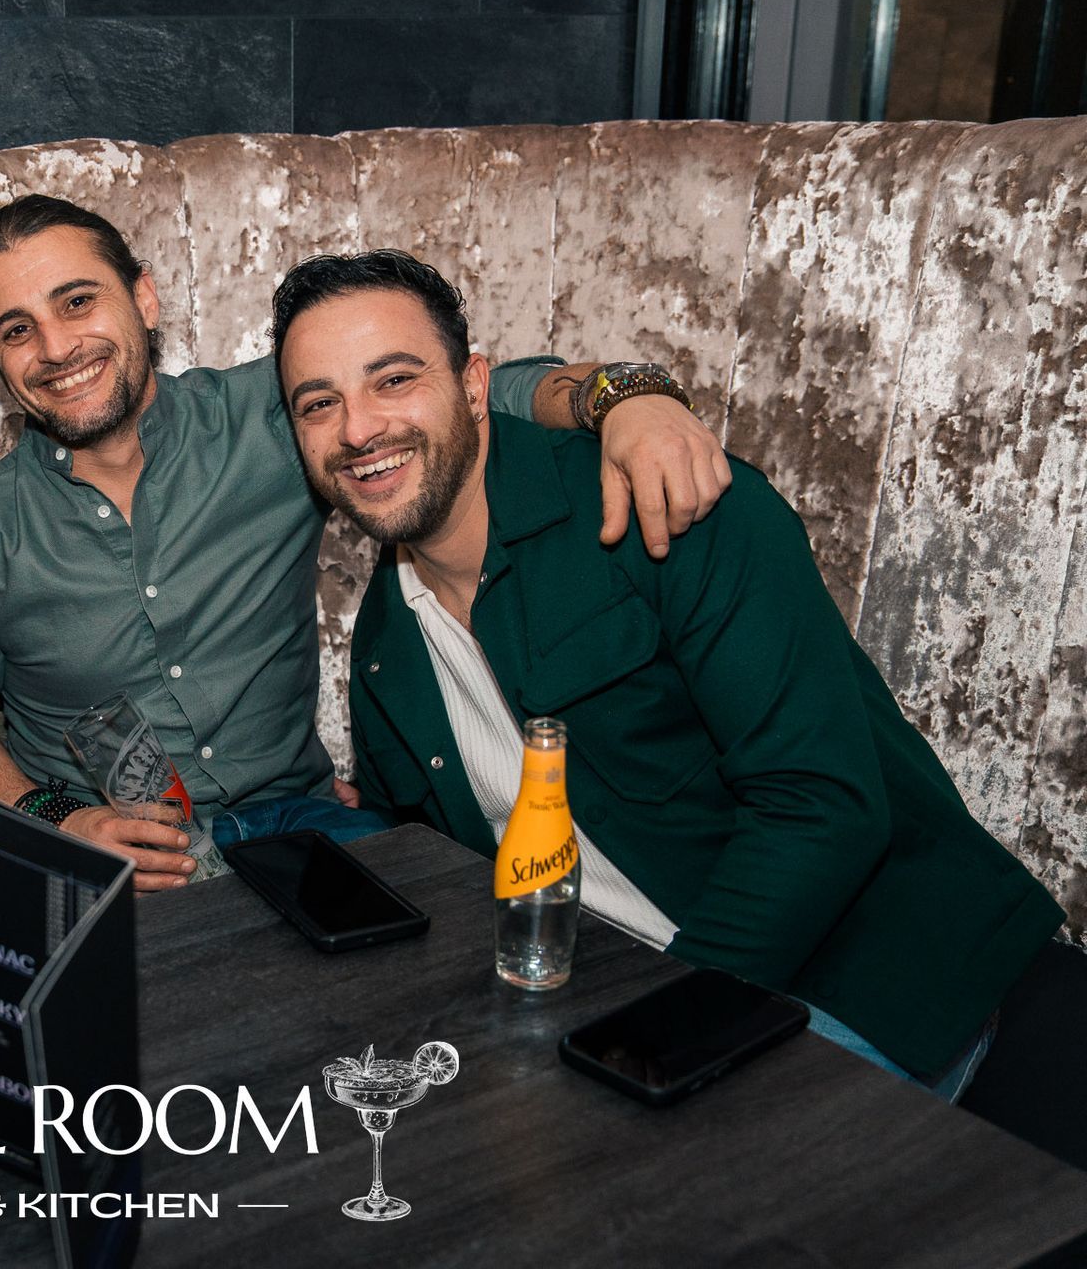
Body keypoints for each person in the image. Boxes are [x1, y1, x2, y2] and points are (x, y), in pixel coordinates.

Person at [274, 248, 1063, 1097]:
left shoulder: (656, 500)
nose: (359, 430)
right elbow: (439, 869)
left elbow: (821, 804)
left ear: (473, 386)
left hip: (869, 993)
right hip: (615, 1007)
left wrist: (650, 1035)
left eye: (393, 380)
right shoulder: (387, 641)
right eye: (321, 404)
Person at [0, 196, 729, 891]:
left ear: (144, 297)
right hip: (108, 865)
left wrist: (625, 398)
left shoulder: (280, 418)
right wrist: (59, 821)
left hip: (304, 827)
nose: (57, 347)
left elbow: (476, 393)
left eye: (78, 301)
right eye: (16, 330)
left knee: (442, 1012)